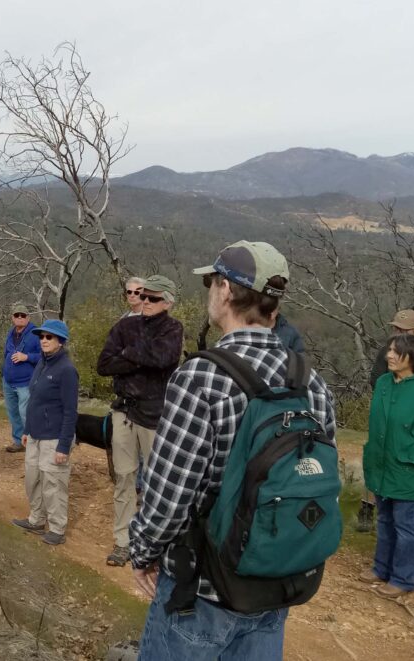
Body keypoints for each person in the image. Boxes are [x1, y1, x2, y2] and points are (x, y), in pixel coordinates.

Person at [130, 240, 337, 660]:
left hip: (203, 589)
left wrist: (143, 551)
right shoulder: (310, 382)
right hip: (277, 581)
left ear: (225, 290)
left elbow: (170, 493)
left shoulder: (202, 377)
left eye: (211, 282)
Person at [96, 274, 183, 567]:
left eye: (152, 298)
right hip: (123, 411)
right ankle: (123, 541)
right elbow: (104, 365)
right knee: (124, 478)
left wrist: (129, 353)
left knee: (158, 483)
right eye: (143, 296)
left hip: (155, 416)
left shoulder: (173, 329)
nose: (145, 301)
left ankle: (155, 543)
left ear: (167, 302)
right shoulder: (125, 325)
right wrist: (140, 358)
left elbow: (164, 358)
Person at [360, 334, 414, 598]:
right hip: (382, 466)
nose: (389, 355)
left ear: (412, 358)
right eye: (389, 350)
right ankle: (381, 568)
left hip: (410, 471)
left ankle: (404, 578)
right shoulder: (384, 383)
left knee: (405, 525)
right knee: (385, 519)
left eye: (396, 352)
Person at [11, 320, 78, 545]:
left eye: (50, 337)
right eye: (42, 337)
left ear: (61, 341)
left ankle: (57, 529)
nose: (44, 341)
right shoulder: (42, 363)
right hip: (35, 434)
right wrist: (27, 430)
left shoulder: (67, 370)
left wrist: (64, 446)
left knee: (53, 484)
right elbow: (35, 400)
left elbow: (70, 411)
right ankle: (36, 520)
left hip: (55, 437)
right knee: (33, 480)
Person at [1, 303, 41, 453]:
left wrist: (26, 357)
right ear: (12, 317)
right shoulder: (11, 333)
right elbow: (6, 353)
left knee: (26, 413)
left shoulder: (36, 334)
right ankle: (18, 441)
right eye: (16, 315)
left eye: (22, 315)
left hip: (25, 382)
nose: (19, 318)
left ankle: (33, 442)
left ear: (28, 318)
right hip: (8, 381)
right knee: (14, 414)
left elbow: (43, 356)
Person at [369, 309, 414, 390]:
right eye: (396, 328)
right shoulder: (387, 350)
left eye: (405, 330)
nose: (399, 333)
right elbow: (375, 380)